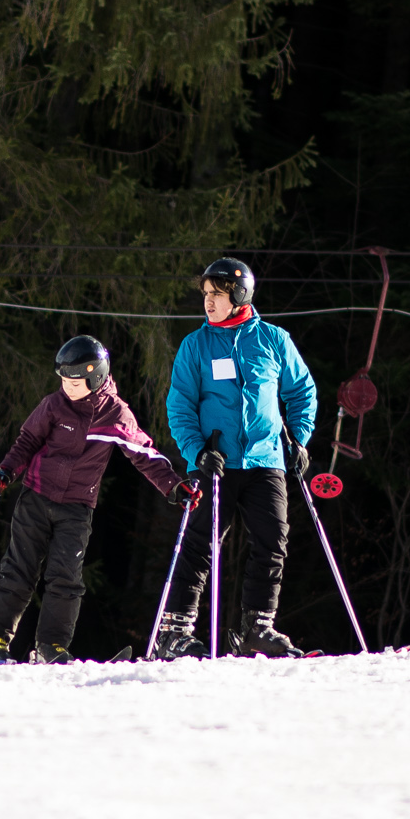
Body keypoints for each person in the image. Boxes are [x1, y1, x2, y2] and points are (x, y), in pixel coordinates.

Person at [0, 335, 194, 664]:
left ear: (96, 376)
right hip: (36, 497)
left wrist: (173, 486)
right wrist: (6, 471)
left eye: (74, 382)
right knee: (19, 570)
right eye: (63, 380)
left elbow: (143, 453)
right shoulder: (53, 405)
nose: (67, 387)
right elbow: (27, 441)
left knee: (66, 578)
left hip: (77, 508)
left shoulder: (115, 414)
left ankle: (51, 647)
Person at [156, 257, 318, 659]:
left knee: (272, 540)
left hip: (266, 460)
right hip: (216, 463)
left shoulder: (274, 339)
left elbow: (302, 392)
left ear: (240, 294)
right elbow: (179, 407)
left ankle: (257, 628)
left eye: (218, 294)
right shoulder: (196, 344)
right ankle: (174, 632)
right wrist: (197, 452)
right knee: (200, 544)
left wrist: (297, 439)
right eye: (206, 294)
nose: (209, 301)